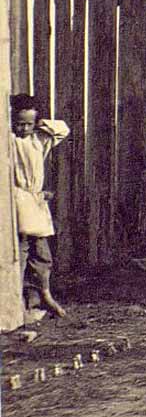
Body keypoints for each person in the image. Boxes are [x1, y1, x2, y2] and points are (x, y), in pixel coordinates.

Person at [11, 94, 69, 319]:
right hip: (17, 198)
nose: (23, 128)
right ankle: (17, 301)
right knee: (22, 250)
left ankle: (43, 294)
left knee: (42, 254)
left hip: (36, 200)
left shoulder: (39, 139)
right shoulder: (10, 141)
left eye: (28, 123)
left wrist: (39, 121)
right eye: (19, 123)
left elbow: (62, 130)